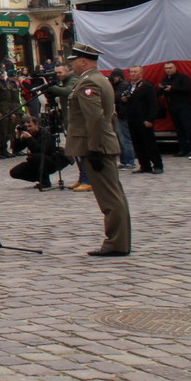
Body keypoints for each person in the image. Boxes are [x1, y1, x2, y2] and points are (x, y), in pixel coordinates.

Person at [63, 44, 131, 257]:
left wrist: (94, 149)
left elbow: (94, 118)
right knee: (115, 195)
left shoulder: (89, 82)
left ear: (83, 61)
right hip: (103, 143)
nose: (72, 65)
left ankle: (116, 243)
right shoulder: (100, 79)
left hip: (97, 146)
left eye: (74, 61)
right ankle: (119, 241)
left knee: (109, 198)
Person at [8, 116, 71, 190]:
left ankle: (45, 182)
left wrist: (30, 138)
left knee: (37, 156)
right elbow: (16, 149)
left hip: (51, 161)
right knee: (14, 172)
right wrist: (18, 136)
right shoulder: (28, 134)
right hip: (37, 162)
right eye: (26, 127)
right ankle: (40, 178)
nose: (28, 128)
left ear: (36, 125)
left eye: (30, 126)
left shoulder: (44, 133)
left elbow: (42, 150)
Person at [121, 66, 163, 174]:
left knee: (150, 143)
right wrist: (124, 99)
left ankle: (158, 165)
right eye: (131, 72)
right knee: (138, 144)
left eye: (135, 72)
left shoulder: (147, 86)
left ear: (141, 73)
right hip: (132, 119)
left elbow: (153, 104)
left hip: (144, 120)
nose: (133, 74)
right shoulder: (129, 86)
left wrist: (150, 119)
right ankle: (144, 165)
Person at [159, 62, 191, 157]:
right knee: (179, 129)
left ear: (175, 67)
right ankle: (183, 149)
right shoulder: (166, 79)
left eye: (170, 68)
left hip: (184, 107)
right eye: (166, 68)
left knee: (188, 128)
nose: (168, 70)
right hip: (173, 107)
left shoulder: (183, 77)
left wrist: (173, 88)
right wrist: (162, 89)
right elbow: (163, 93)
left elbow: (188, 88)